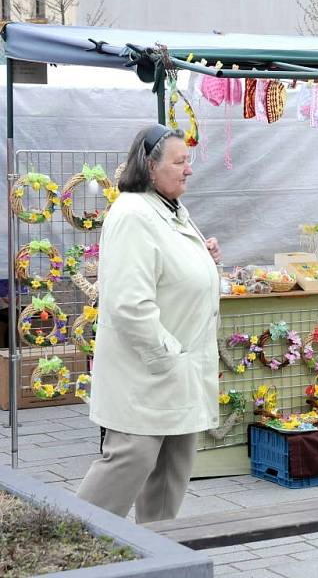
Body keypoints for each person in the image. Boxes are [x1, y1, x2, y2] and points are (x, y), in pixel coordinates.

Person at [77, 124, 222, 524]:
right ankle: (67, 543)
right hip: (148, 373)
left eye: (188, 160)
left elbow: (170, 272)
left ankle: (160, 559)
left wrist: (204, 260)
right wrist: (168, 356)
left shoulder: (171, 207)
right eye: (180, 161)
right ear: (150, 166)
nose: (189, 169)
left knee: (169, 476)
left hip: (176, 372)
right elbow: (128, 304)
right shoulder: (133, 214)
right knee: (129, 461)